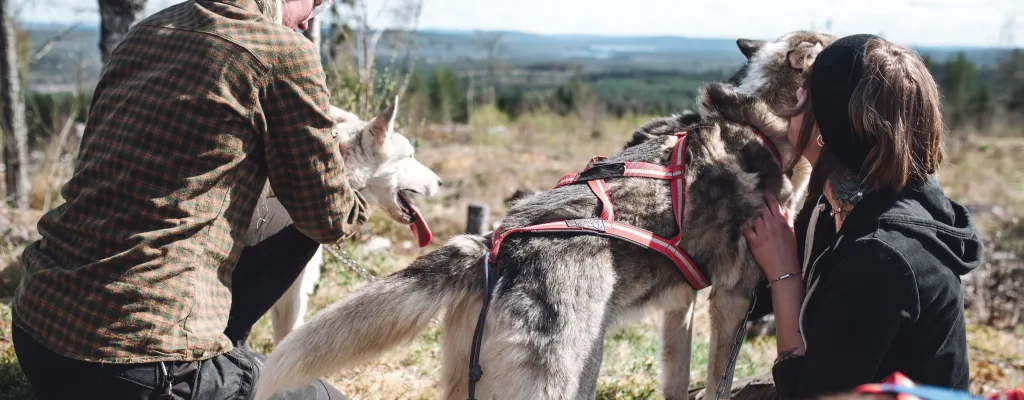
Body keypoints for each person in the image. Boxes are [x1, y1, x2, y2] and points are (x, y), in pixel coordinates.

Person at [10, 0, 370, 397]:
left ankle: (226, 342)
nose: (310, 17)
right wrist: (346, 175)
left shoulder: (148, 30)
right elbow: (330, 219)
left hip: (37, 331)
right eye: (315, 3)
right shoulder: (282, 51)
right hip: (142, 364)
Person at [741, 33, 983, 398]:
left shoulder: (883, 256)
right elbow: (756, 302)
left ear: (827, 131)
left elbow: (811, 395)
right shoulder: (837, 203)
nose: (793, 100)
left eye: (805, 93)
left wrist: (784, 276)